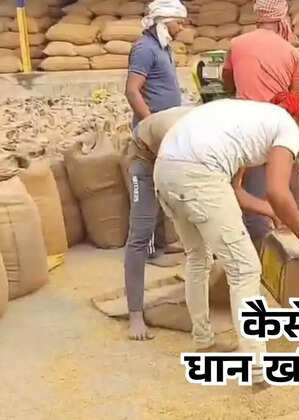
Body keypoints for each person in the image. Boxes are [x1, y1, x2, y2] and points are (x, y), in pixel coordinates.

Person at [154, 92, 299, 383]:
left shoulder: (251, 119)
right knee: (245, 269)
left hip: (165, 169)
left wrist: (269, 210)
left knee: (198, 259)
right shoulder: (287, 126)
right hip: (199, 172)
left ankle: (203, 341)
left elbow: (236, 192)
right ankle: (258, 366)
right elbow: (277, 191)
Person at [123, 0, 188, 340]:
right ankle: (135, 315)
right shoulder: (144, 49)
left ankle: (162, 249)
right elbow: (132, 91)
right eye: (179, 22)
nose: (182, 28)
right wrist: (151, 124)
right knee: (139, 232)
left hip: (168, 146)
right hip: (146, 151)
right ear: (163, 21)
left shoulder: (164, 48)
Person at [221, 0, 299, 248]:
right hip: (277, 130)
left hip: (243, 128)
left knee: (250, 187)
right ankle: (285, 236)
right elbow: (295, 97)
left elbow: (227, 83)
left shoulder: (236, 44)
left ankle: (256, 238)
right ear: (281, 20)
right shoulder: (291, 52)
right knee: (282, 186)